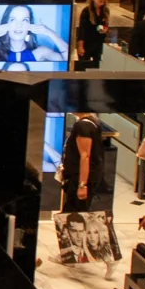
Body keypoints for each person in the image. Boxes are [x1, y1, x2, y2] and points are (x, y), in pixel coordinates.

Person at [58, 112, 119, 279]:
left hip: (82, 179)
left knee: (81, 218)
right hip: (83, 177)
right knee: (70, 215)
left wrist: (82, 185)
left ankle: (110, 257)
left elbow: (85, 156)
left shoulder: (83, 126)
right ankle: (69, 255)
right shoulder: (92, 122)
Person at [0, 3, 68, 66]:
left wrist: (50, 33)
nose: (19, 25)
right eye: (13, 20)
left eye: (24, 20)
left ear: (30, 25)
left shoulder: (40, 52)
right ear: (5, 23)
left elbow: (68, 59)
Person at [76, 0, 112, 69]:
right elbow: (82, 30)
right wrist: (80, 47)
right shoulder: (86, 11)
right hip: (87, 43)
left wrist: (105, 30)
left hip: (99, 44)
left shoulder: (106, 11)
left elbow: (106, 25)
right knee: (84, 67)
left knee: (97, 67)